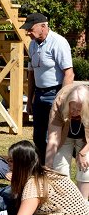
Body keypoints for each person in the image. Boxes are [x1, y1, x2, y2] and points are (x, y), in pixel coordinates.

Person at [21, 12, 74, 163]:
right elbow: (31, 73)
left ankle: (54, 169)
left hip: (55, 93)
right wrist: (30, 100)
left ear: (43, 26)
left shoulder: (58, 42)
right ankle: (44, 169)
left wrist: (61, 100)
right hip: (39, 94)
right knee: (38, 137)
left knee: (53, 137)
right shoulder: (32, 44)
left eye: (30, 29)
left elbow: (69, 74)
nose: (28, 32)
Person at [46, 82, 89, 199]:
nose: (74, 112)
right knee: (59, 167)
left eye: (79, 110)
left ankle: (83, 203)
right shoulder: (59, 102)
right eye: (72, 108)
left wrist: (83, 152)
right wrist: (48, 165)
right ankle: (65, 201)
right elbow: (53, 138)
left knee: (86, 166)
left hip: (86, 137)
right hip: (64, 134)